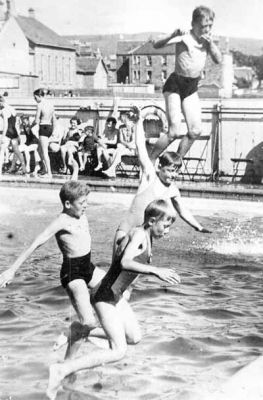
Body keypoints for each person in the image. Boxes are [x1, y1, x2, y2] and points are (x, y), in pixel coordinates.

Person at [46, 198, 181, 400]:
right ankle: (61, 370)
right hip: (104, 296)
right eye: (165, 226)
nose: (167, 231)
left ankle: (79, 330)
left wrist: (126, 288)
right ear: (152, 221)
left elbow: (120, 249)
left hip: (115, 296)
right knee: (119, 350)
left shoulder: (143, 234)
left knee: (134, 337)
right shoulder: (139, 236)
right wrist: (155, 270)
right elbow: (126, 261)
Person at [0, 181, 106, 378]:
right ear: (67, 204)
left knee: (120, 292)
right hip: (73, 273)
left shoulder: (81, 213)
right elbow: (36, 243)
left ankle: (68, 364)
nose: (86, 205)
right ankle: (70, 339)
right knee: (88, 322)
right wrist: (12, 269)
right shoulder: (61, 221)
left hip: (88, 266)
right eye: (82, 202)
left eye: (86, 201)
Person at [114, 106, 211, 254]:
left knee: (135, 274)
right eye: (170, 171)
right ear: (160, 167)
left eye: (176, 172)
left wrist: (198, 226)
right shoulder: (149, 175)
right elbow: (140, 147)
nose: (173, 176)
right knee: (116, 272)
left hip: (144, 236)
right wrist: (139, 121)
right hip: (126, 230)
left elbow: (182, 210)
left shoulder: (173, 189)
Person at [151, 5, 222, 161]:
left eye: (210, 26)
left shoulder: (207, 41)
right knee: (174, 132)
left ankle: (175, 162)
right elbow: (155, 44)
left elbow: (218, 59)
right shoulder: (184, 37)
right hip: (175, 85)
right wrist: (173, 34)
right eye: (204, 26)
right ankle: (150, 161)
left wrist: (211, 44)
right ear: (193, 24)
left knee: (195, 130)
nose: (207, 29)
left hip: (191, 87)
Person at [0, 95, 27, 176]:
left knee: (1, 151)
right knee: (17, 151)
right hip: (14, 132)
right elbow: (15, 124)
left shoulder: (4, 111)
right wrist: (18, 135)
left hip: (7, 132)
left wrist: (2, 136)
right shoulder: (13, 109)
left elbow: (5, 125)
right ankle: (24, 168)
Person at [33, 88, 57, 178]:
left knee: (44, 151)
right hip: (50, 127)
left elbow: (36, 120)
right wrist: (54, 131)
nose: (35, 100)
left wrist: (31, 125)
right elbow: (54, 119)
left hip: (43, 127)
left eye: (35, 98)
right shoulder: (51, 104)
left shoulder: (40, 105)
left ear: (39, 96)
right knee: (39, 150)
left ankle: (49, 173)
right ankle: (44, 168)